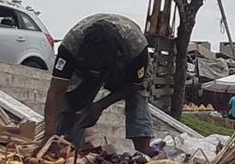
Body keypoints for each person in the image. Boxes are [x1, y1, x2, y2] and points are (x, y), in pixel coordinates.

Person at [43, 13, 155, 156]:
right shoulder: (70, 47)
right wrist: (49, 135)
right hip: (85, 71)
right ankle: (70, 150)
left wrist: (100, 106)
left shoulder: (136, 48)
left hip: (126, 71)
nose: (100, 73)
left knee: (137, 99)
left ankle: (143, 156)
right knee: (74, 101)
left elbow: (135, 84)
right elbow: (55, 91)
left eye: (102, 68)